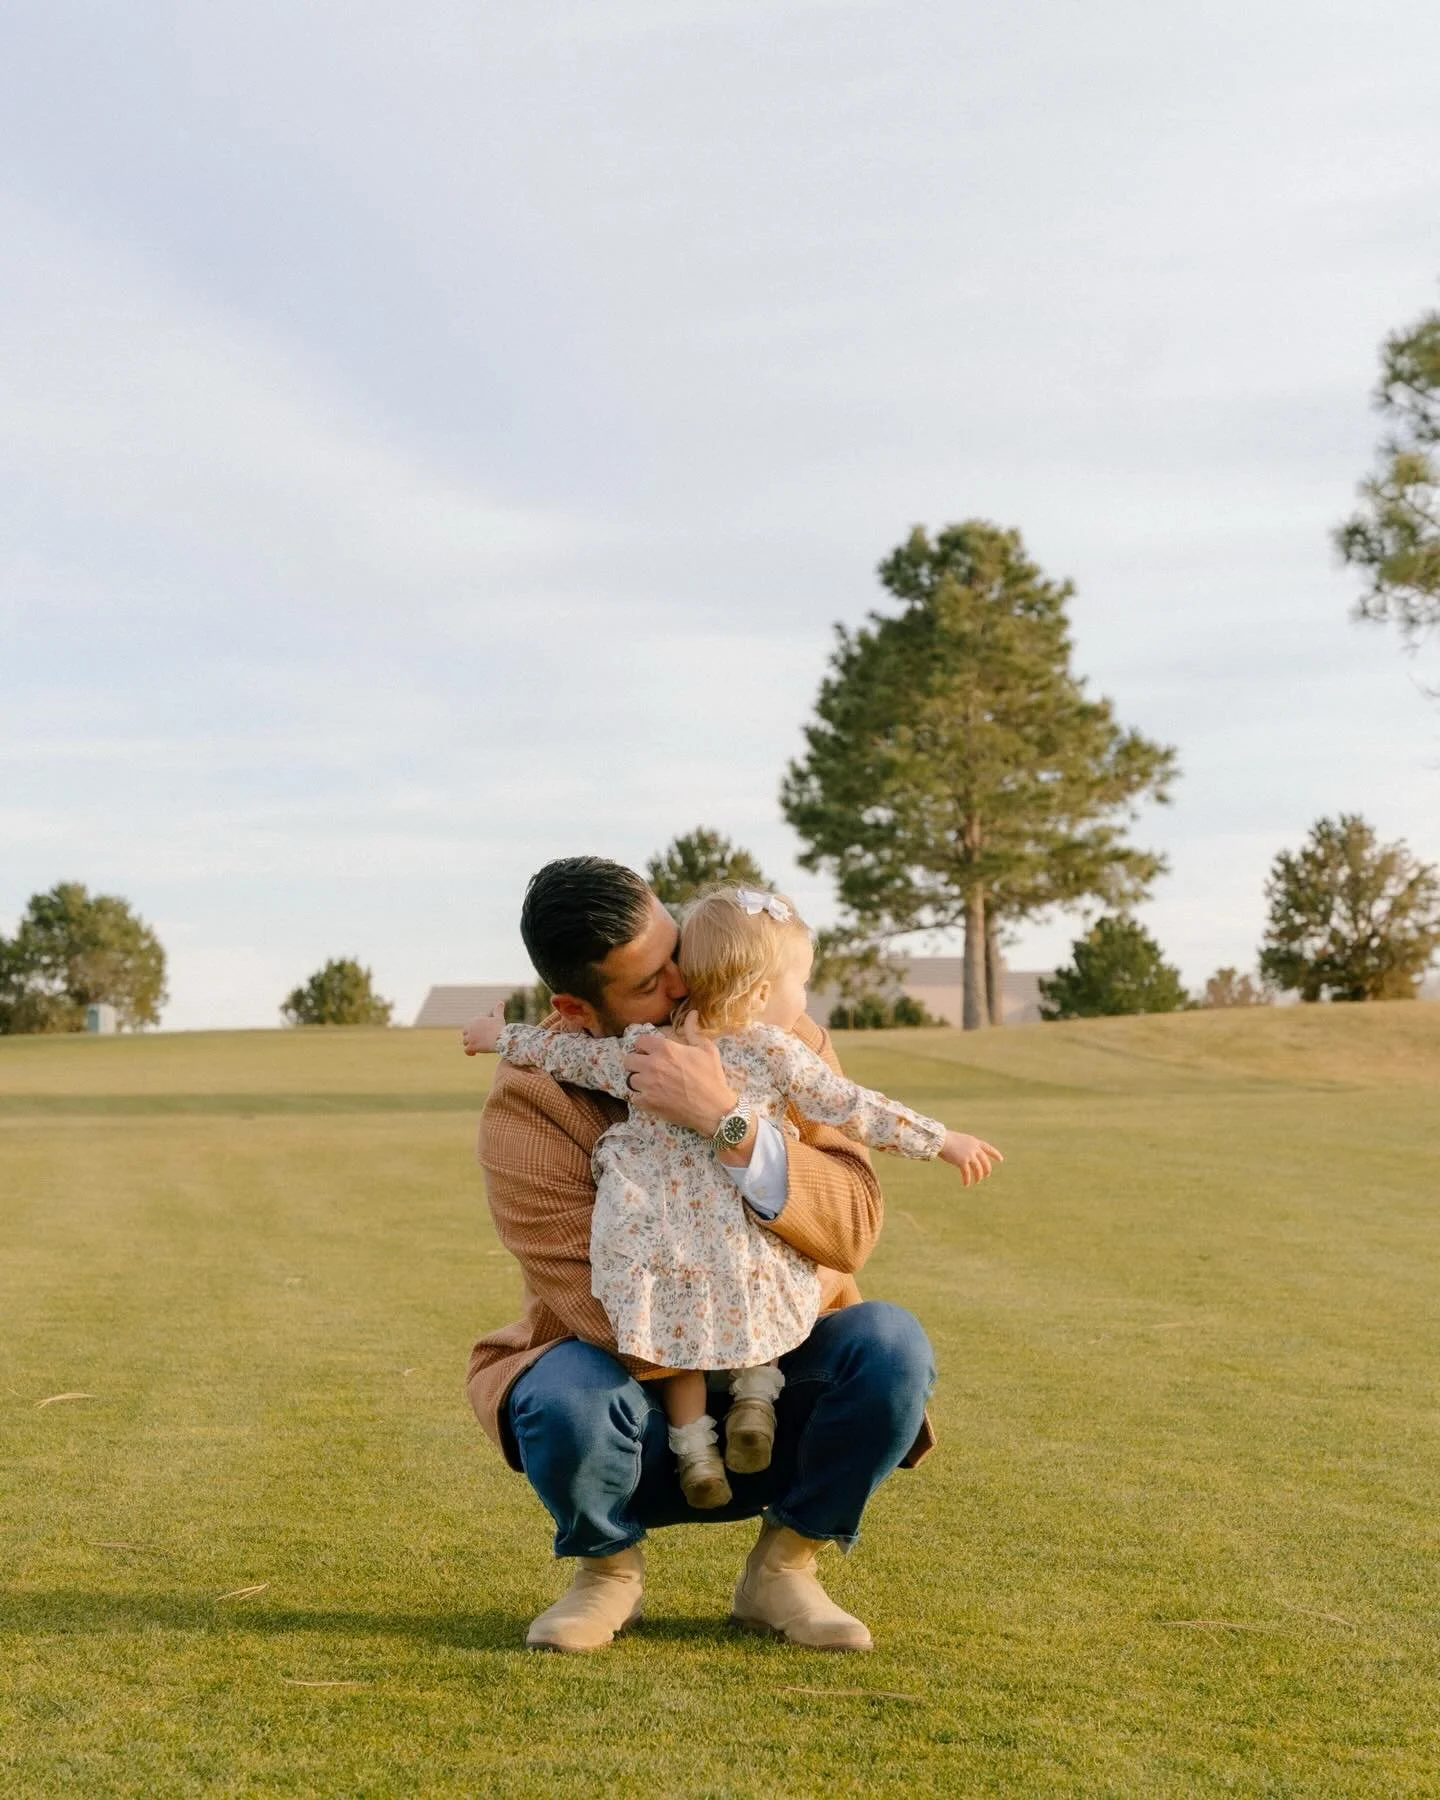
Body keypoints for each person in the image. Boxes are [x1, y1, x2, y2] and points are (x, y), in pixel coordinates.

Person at [464, 855, 989, 1654]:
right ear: (575, 1007)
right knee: (558, 1393)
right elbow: (587, 1300)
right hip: (637, 1401)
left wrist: (728, 1122)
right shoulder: (533, 1094)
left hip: (780, 1386)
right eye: (648, 985)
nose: (683, 985)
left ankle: (783, 1573)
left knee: (890, 1348)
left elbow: (852, 1226)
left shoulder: (779, 1038)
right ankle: (607, 1574)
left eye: (676, 951)